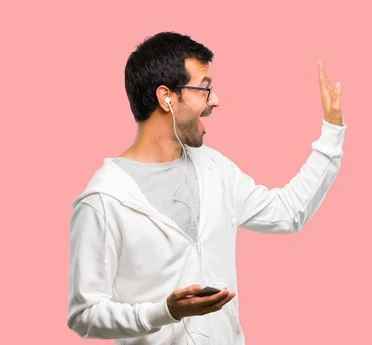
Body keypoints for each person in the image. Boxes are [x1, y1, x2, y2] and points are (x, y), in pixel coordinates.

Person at [67, 31, 346, 345]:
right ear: (166, 97)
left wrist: (331, 133)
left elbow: (287, 213)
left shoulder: (214, 168)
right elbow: (85, 314)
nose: (215, 100)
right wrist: (163, 312)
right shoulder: (103, 198)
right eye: (204, 89)